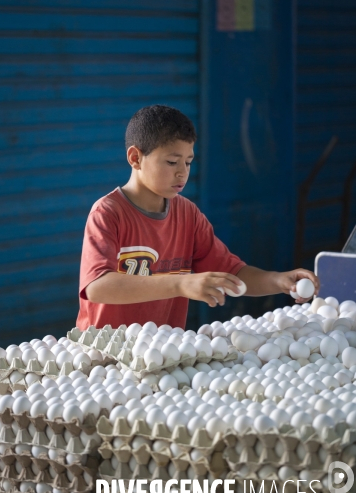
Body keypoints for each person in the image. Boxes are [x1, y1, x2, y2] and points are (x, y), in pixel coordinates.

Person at [77, 105, 319, 330]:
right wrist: (182, 283)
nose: (182, 172)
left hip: (162, 354)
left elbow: (232, 273)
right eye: (172, 162)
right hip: (105, 360)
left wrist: (278, 281)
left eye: (188, 162)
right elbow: (98, 286)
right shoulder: (108, 213)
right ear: (135, 158)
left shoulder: (188, 214)